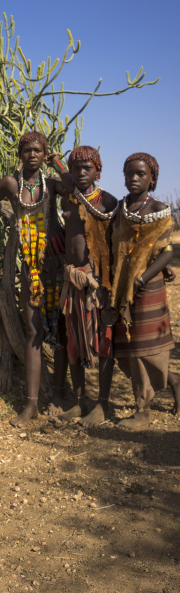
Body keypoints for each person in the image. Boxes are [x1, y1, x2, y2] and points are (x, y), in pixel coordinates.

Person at [0, 132, 68, 426]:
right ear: (20, 154)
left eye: (39, 151)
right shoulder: (11, 184)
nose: (33, 155)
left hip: (56, 264)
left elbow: (74, 188)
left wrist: (59, 160)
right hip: (30, 269)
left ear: (45, 155)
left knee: (62, 332)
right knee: (34, 333)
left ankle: (60, 395)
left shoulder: (53, 186)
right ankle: (30, 405)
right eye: (28, 150)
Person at [111, 153, 176, 429]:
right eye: (129, 174)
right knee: (129, 347)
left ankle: (142, 411)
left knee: (147, 349)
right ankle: (172, 383)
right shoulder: (120, 208)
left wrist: (142, 277)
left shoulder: (159, 209)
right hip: (122, 286)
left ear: (152, 178)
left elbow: (166, 252)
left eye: (140, 174)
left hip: (148, 288)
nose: (133, 179)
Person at [58, 146, 118, 424]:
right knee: (73, 342)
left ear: (98, 170)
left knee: (104, 341)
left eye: (87, 168)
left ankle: (103, 404)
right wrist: (56, 161)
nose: (81, 173)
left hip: (97, 281)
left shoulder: (108, 201)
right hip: (72, 279)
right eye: (76, 167)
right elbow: (63, 175)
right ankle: (81, 402)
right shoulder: (68, 199)